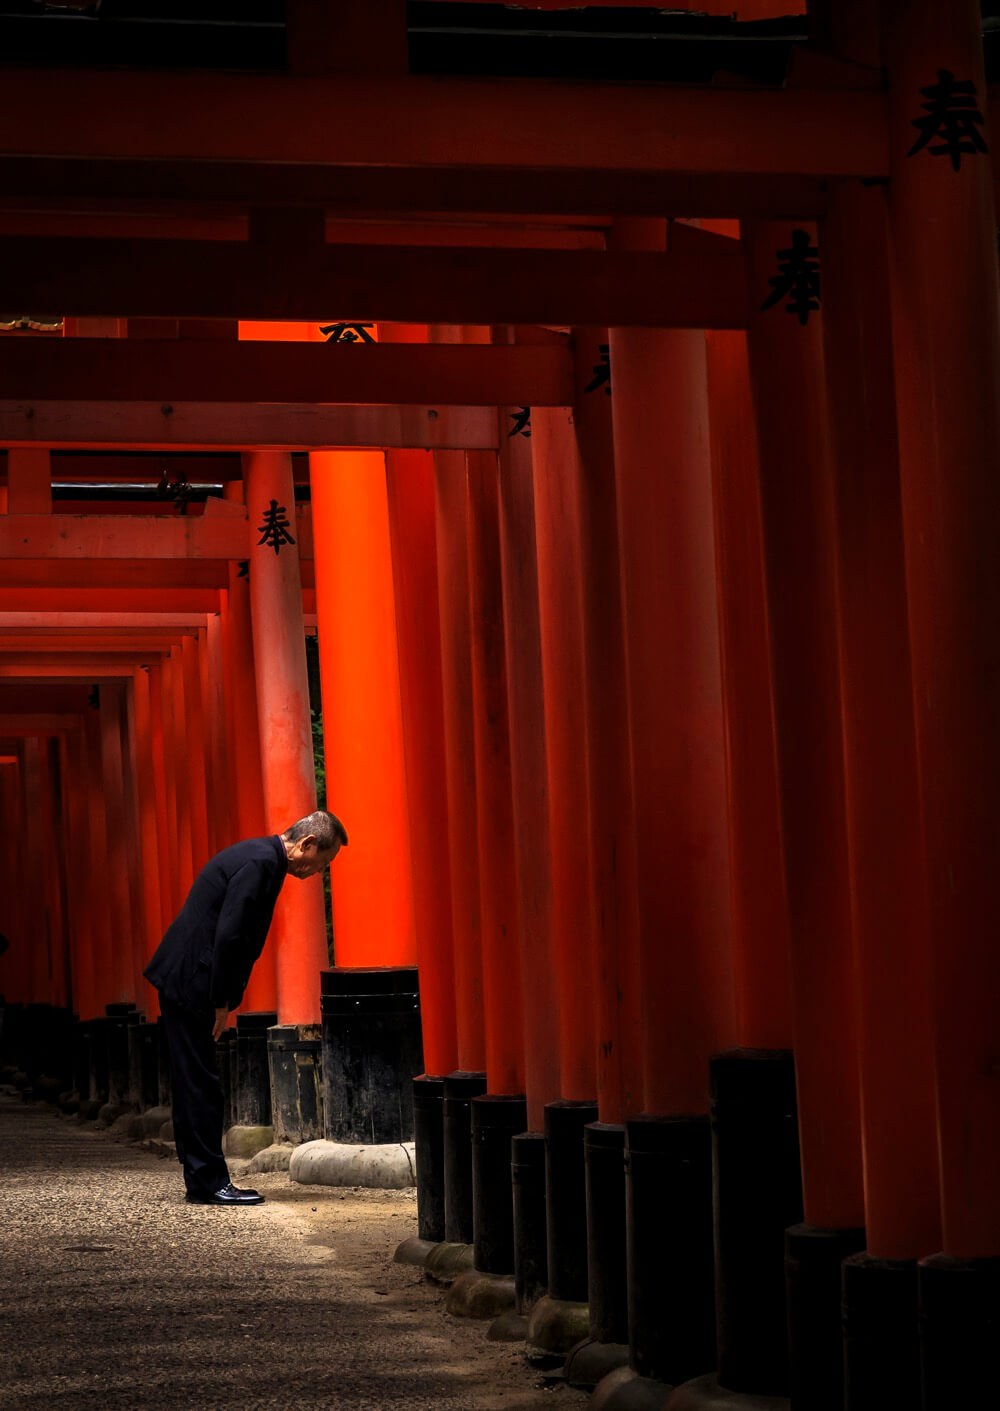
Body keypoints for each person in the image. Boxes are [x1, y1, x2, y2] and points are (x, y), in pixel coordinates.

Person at [144, 810, 347, 1207]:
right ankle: (207, 1181)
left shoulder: (259, 857)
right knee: (201, 1085)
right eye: (323, 862)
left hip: (186, 977)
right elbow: (232, 936)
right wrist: (221, 1001)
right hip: (193, 982)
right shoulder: (260, 864)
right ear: (306, 845)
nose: (319, 871)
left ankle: (200, 1178)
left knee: (193, 1082)